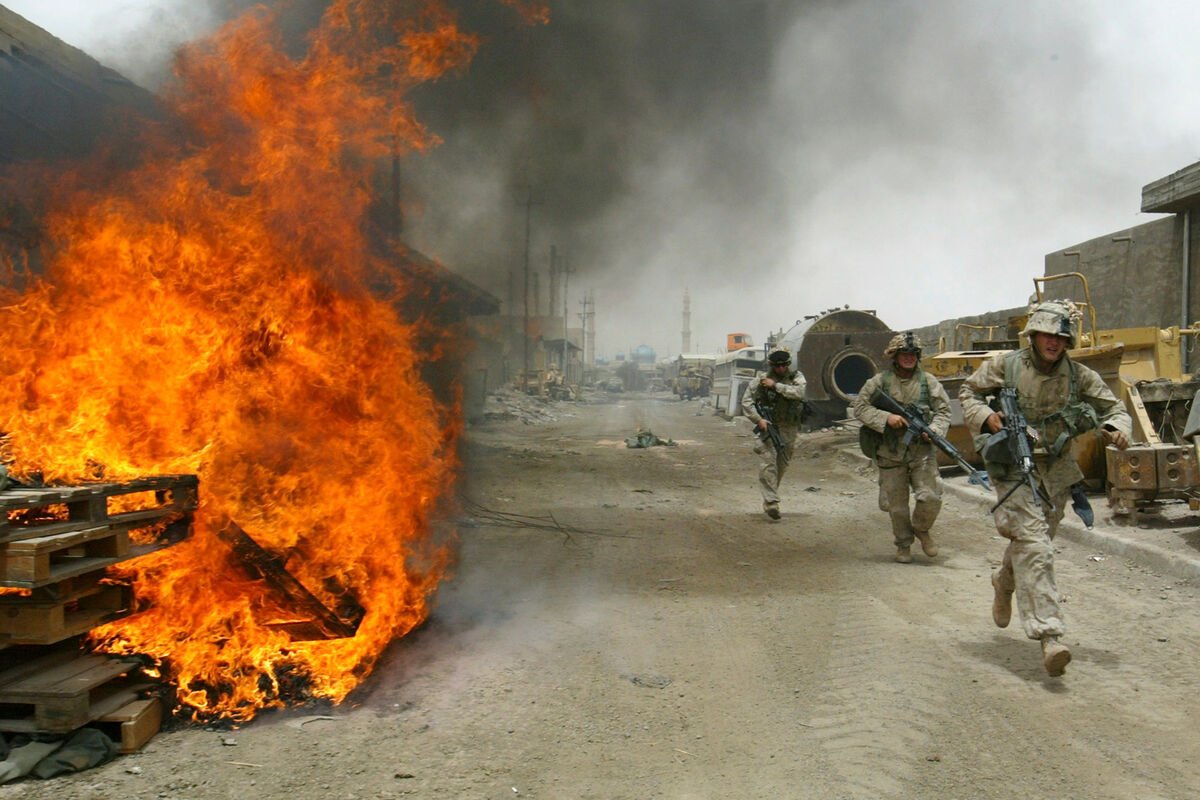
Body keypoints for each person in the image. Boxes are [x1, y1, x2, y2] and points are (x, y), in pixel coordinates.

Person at [959, 300, 1131, 677]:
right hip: (1010, 464)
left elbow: (1113, 408)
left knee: (1035, 541)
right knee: (1035, 545)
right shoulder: (1007, 364)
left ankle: (1004, 582)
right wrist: (986, 416)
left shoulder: (1080, 375)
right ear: (1034, 334)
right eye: (1047, 335)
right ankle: (1049, 635)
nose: (1053, 342)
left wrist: (1120, 430)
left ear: (1067, 341)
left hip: (1054, 469)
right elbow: (968, 393)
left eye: (1060, 336)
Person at [850, 332, 952, 563]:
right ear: (894, 356)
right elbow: (860, 407)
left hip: (921, 451)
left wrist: (934, 429)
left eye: (912, 354)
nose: (908, 358)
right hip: (890, 452)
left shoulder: (929, 382)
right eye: (903, 354)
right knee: (897, 507)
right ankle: (903, 544)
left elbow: (944, 411)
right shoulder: (878, 382)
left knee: (931, 496)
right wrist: (886, 417)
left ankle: (921, 529)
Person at [741, 347, 807, 519]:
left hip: (789, 427)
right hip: (769, 426)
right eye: (777, 366)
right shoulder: (761, 380)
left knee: (781, 464)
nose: (781, 369)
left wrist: (776, 386)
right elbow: (746, 401)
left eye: (784, 365)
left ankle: (771, 496)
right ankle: (771, 502)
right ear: (771, 365)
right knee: (768, 461)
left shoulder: (796, 377)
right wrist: (758, 420)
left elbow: (800, 392)